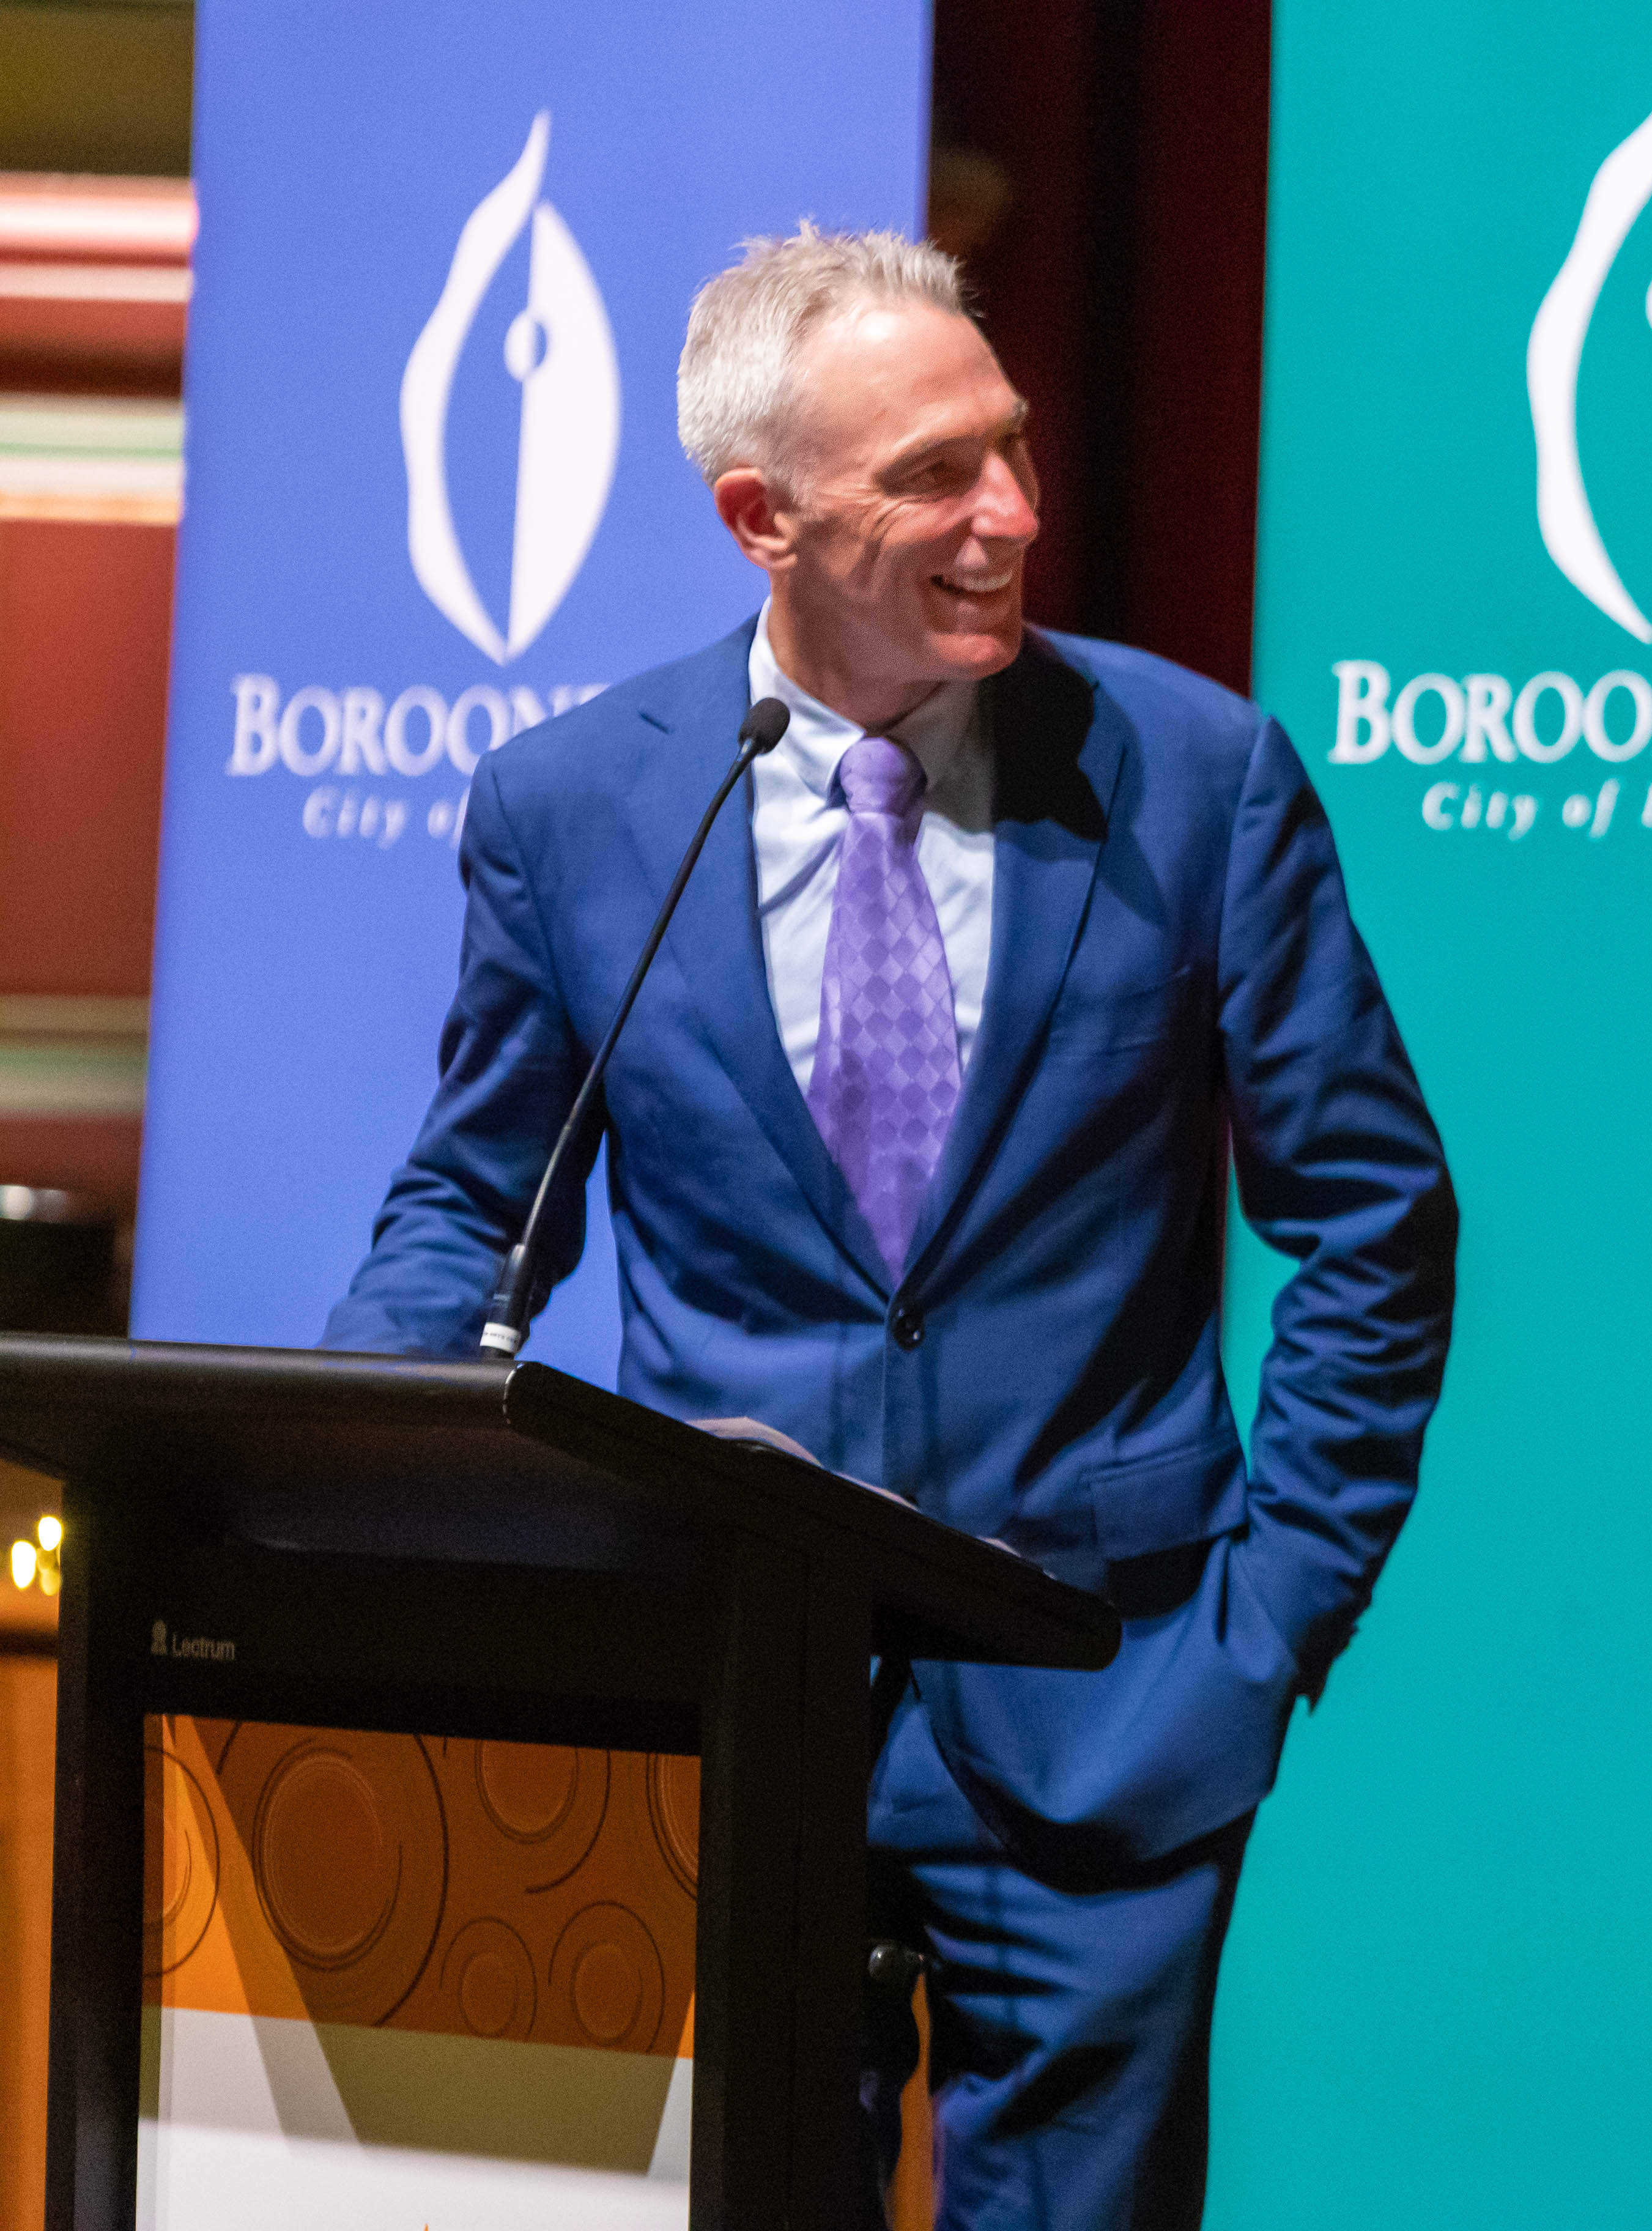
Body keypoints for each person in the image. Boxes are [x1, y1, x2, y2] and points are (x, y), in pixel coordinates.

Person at [325, 226, 1456, 2229]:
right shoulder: (577, 804)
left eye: (1011, 452)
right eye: (934, 477)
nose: (1008, 515)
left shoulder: (1196, 776)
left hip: (1118, 1711)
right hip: (738, 1716)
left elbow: (1373, 1217)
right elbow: (474, 1206)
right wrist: (338, 1485)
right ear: (762, 518)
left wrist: (1268, 1623)